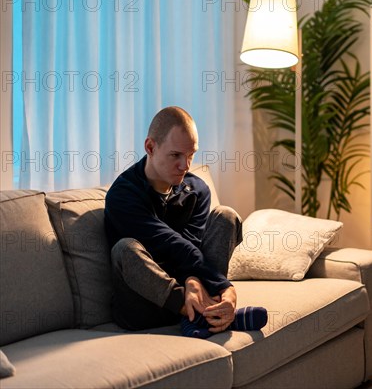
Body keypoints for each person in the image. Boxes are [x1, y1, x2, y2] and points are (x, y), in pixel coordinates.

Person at [104, 106, 267, 338]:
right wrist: (223, 285)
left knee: (226, 216)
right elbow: (170, 243)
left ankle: (208, 314)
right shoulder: (123, 195)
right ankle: (204, 315)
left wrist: (195, 281)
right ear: (150, 147)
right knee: (124, 249)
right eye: (176, 155)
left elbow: (190, 244)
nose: (186, 165)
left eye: (191, 155)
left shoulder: (198, 190)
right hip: (143, 307)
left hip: (194, 290)